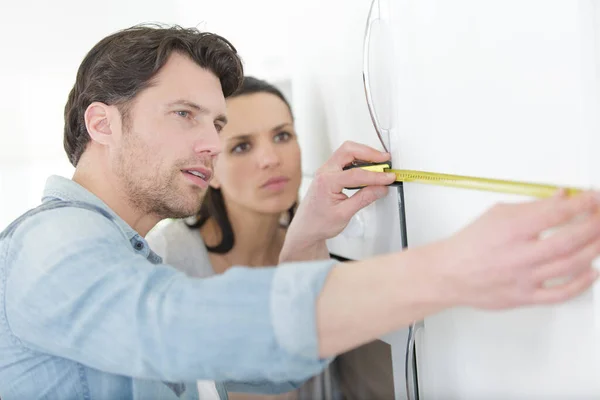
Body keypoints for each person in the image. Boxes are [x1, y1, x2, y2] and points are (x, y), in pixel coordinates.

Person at [1, 24, 599, 400]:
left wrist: (307, 231)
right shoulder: (51, 241)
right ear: (101, 122)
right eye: (185, 114)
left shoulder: (122, 253)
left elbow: (255, 377)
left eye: (216, 122)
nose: (210, 141)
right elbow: (174, 323)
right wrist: (449, 270)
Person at [145, 76, 334, 399]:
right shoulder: (165, 258)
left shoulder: (316, 250)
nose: (271, 159)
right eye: (242, 146)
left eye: (282, 135)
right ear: (210, 169)